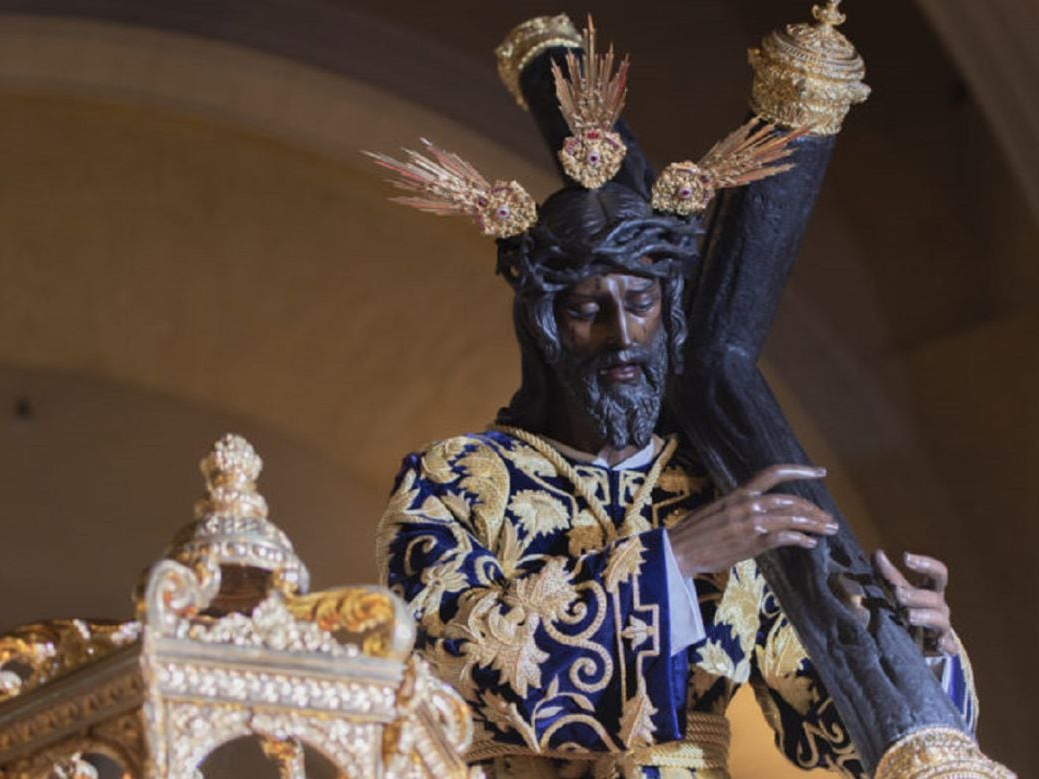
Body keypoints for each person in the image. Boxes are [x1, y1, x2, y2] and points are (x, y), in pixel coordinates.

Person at [374, 14, 975, 778]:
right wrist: (678, 559)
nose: (624, 336)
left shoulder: (718, 489)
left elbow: (831, 728)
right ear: (543, 325)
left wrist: (916, 642)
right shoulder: (452, 481)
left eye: (642, 303)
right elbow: (458, 663)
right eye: (590, 309)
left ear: (669, 313)